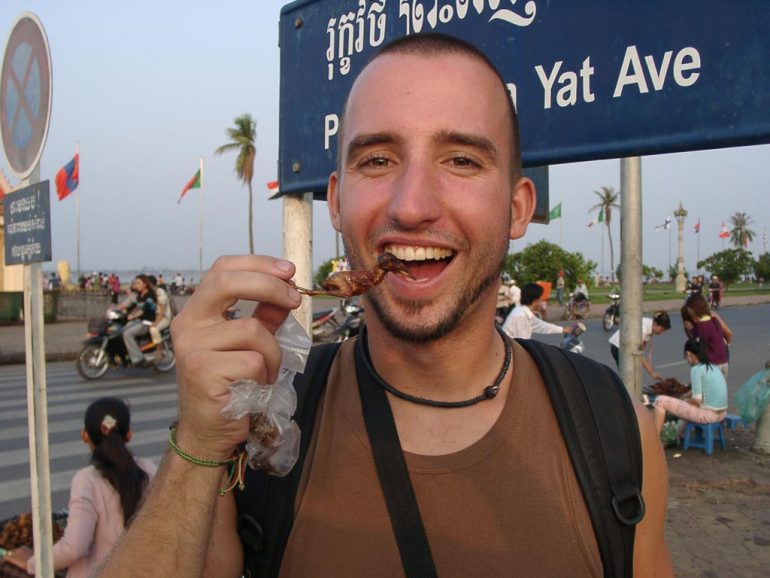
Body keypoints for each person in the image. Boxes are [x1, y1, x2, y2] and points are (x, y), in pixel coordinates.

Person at [98, 33, 671, 577]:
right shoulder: (265, 427)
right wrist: (199, 440)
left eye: (462, 160)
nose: (413, 205)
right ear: (337, 201)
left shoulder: (614, 429)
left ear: (519, 208)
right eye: (376, 160)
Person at [9, 398, 155, 577]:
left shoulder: (87, 480)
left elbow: (74, 547)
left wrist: (33, 562)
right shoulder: (149, 470)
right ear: (129, 434)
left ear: (84, 435)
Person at [652, 338, 728, 435]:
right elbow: (697, 392)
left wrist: (683, 401)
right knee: (683, 404)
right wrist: (683, 398)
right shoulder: (713, 367)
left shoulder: (696, 369)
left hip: (708, 415)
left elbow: (696, 401)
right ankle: (680, 434)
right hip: (721, 414)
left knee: (660, 401)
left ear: (689, 354)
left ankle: (655, 440)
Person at [608, 311, 672, 381]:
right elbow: (639, 354)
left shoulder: (650, 326)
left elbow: (641, 349)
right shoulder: (643, 329)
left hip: (627, 347)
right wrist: (651, 373)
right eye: (661, 330)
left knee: (632, 372)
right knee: (627, 375)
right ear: (655, 324)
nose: (661, 333)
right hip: (619, 347)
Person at [683, 292, 732, 378]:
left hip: (713, 364)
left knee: (708, 389)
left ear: (694, 310)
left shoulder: (702, 325)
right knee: (720, 389)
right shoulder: (713, 318)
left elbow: (698, 344)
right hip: (724, 361)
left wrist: (690, 329)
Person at [502, 283, 572, 340]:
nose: (542, 302)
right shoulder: (520, 315)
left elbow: (541, 325)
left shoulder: (523, 311)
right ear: (535, 301)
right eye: (541, 299)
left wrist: (562, 330)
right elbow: (523, 342)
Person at [120, 275, 157, 367]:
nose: (136, 285)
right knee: (121, 330)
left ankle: (138, 359)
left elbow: (144, 310)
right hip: (139, 321)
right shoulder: (140, 295)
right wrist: (122, 310)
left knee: (127, 334)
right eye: (135, 283)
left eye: (138, 283)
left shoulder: (149, 296)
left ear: (144, 284)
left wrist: (133, 316)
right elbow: (132, 305)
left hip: (147, 322)